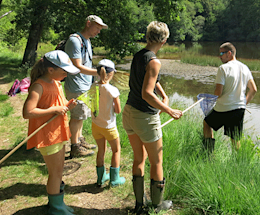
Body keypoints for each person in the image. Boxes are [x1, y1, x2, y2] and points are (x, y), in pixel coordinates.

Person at [122, 21, 183, 214]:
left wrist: (163, 93)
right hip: (144, 117)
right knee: (156, 162)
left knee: (139, 158)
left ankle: (139, 205)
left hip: (129, 112)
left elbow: (151, 80)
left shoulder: (140, 55)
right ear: (164, 40)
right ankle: (157, 206)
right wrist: (168, 109)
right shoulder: (155, 61)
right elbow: (147, 93)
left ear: (148, 37)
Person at [22, 50, 80, 214]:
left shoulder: (56, 83)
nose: (66, 75)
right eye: (64, 71)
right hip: (47, 136)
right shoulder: (39, 86)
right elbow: (28, 112)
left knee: (59, 170)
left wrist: (67, 107)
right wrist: (54, 109)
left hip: (59, 133)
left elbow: (57, 107)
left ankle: (58, 202)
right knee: (55, 172)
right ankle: (56, 208)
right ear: (51, 70)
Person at [64, 15, 108, 158]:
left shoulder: (86, 41)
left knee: (81, 116)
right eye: (97, 27)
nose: (98, 31)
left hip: (84, 85)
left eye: (100, 29)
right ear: (88, 23)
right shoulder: (74, 41)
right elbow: (76, 66)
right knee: (76, 117)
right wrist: (99, 73)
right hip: (76, 86)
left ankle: (80, 140)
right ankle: (74, 147)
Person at [203, 42, 257, 151]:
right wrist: (244, 103)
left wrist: (211, 97)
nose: (220, 56)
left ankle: (208, 154)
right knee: (235, 138)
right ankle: (237, 162)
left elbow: (218, 92)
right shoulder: (245, 67)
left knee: (207, 123)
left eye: (222, 53)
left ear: (229, 53)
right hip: (239, 108)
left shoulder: (223, 68)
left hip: (223, 108)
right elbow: (253, 89)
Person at [92, 59, 126, 187]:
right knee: (116, 150)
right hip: (109, 127)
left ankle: (100, 179)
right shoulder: (113, 90)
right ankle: (114, 179)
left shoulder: (93, 86)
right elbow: (117, 110)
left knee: (101, 150)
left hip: (96, 125)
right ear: (111, 74)